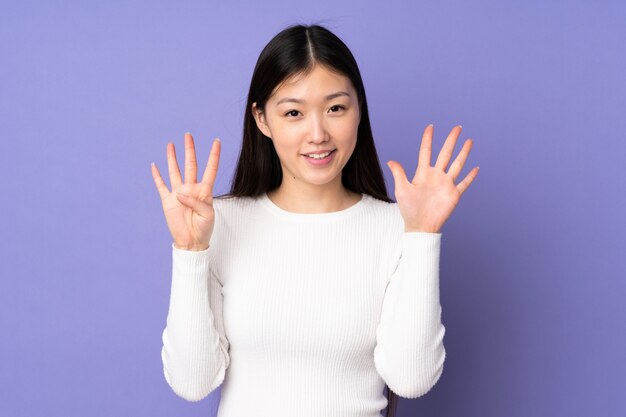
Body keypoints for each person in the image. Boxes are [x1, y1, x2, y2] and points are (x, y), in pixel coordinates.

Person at [150, 23, 478, 417]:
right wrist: (190, 252)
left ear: (359, 111)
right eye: (293, 113)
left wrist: (422, 235)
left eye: (336, 108)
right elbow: (192, 382)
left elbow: (412, 379)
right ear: (262, 119)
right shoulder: (218, 224)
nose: (318, 133)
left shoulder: (397, 228)